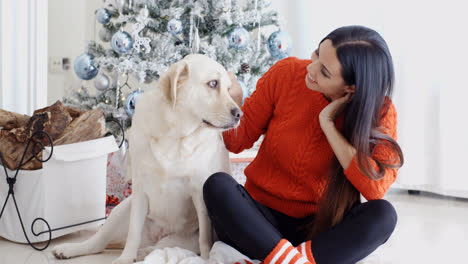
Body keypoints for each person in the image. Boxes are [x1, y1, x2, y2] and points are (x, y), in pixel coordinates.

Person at [203, 25, 404, 264]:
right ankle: (294, 260)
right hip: (259, 221)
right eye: (317, 54)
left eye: (325, 72)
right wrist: (232, 103)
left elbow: (375, 188)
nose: (311, 68)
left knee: (384, 215)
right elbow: (237, 141)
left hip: (320, 231)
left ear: (351, 88)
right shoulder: (286, 74)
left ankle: (284, 258)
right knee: (218, 186)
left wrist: (328, 124)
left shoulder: (380, 111)